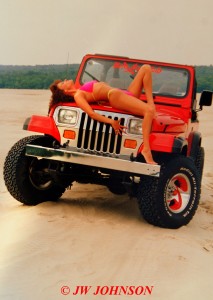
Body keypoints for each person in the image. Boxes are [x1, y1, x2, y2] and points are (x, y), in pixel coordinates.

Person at [49, 64, 157, 164]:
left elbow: (95, 96)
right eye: (63, 83)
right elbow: (91, 113)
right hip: (114, 95)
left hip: (123, 93)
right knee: (148, 111)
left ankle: (151, 103)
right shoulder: (78, 96)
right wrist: (111, 121)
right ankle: (146, 150)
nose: (66, 80)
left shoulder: (80, 90)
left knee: (146, 68)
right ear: (65, 91)